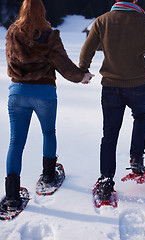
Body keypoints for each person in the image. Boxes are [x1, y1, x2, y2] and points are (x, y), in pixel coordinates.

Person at [4, 0, 93, 211]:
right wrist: (82, 76)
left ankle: (12, 197)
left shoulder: (12, 33)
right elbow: (64, 66)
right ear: (42, 12)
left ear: (23, 10)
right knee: (48, 133)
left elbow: (10, 62)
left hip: (17, 93)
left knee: (15, 143)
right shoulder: (50, 36)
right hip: (44, 93)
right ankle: (48, 175)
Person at [79, 0, 145, 201]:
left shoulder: (102, 21)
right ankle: (137, 159)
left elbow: (86, 50)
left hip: (111, 87)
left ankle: (106, 182)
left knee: (110, 134)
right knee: (140, 118)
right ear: (135, 0)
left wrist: (83, 70)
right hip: (138, 86)